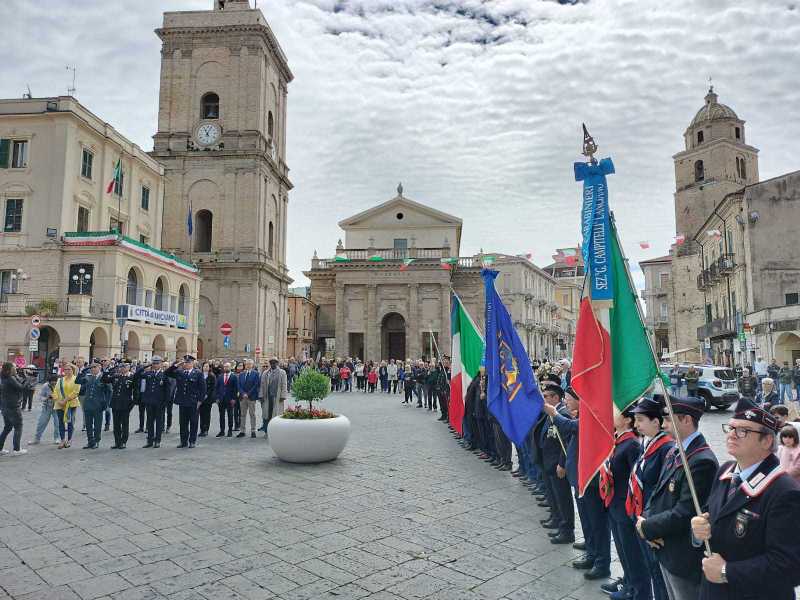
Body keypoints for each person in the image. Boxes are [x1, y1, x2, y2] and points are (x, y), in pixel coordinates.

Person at [691, 398, 800, 599]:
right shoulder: (725, 471)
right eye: (731, 428)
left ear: (766, 441)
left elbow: (789, 566)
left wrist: (726, 572)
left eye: (743, 431)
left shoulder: (785, 492)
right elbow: (712, 515)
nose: (732, 435)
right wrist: (699, 528)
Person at [636, 397, 718, 600]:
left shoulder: (701, 460)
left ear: (687, 420)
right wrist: (647, 520)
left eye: (669, 420)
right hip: (665, 543)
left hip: (683, 554)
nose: (664, 425)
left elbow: (686, 512)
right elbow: (658, 492)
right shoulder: (676, 449)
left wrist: (648, 528)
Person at [547, 387, 611, 581]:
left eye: (568, 398)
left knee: (597, 523)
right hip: (580, 477)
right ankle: (592, 553)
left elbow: (570, 427)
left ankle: (601, 562)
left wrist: (554, 413)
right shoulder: (580, 415)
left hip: (591, 480)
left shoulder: (591, 417)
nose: (566, 402)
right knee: (587, 521)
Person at [600, 408, 650, 600]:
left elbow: (635, 479)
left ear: (628, 420)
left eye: (616, 412)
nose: (611, 415)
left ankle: (637, 591)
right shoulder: (618, 439)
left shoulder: (631, 445)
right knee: (623, 549)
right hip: (614, 503)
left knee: (632, 552)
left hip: (625, 506)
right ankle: (628, 582)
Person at [628, 396, 675, 600]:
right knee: (651, 568)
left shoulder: (666, 447)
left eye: (640, 420)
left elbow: (663, 490)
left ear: (656, 422)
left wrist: (653, 521)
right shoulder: (646, 443)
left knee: (659, 572)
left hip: (653, 518)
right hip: (641, 514)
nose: (636, 424)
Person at [536, 380, 574, 544]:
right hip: (548, 462)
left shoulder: (562, 414)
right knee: (553, 495)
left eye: (546, 396)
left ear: (555, 398)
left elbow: (565, 443)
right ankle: (556, 519)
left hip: (557, 464)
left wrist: (562, 463)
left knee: (563, 497)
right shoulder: (551, 413)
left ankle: (566, 530)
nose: (543, 399)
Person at [165, 355, 205, 449]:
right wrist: (176, 364)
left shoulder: (198, 373)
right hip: (182, 401)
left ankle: (192, 441)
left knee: (193, 422)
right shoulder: (180, 372)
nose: (186, 364)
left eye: (188, 362)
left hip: (193, 402)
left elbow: (203, 388)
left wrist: (200, 400)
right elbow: (167, 372)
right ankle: (183, 441)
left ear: (192, 363)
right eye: (185, 362)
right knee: (183, 422)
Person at [76, 362, 109, 450]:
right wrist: (82, 370)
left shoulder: (103, 377)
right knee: (88, 425)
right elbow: (77, 381)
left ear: (99, 367)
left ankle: (96, 440)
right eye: (91, 368)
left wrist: (106, 404)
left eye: (94, 367)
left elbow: (108, 391)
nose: (92, 369)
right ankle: (90, 441)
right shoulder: (88, 377)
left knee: (97, 425)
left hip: (98, 405)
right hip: (87, 404)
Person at [136, 357, 167, 448]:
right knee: (149, 421)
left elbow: (167, 390)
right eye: (154, 363)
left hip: (159, 402)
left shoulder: (164, 375)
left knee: (159, 422)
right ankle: (149, 440)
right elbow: (137, 375)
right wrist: (146, 366)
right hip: (149, 401)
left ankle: (157, 440)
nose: (155, 365)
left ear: (161, 364)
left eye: (157, 363)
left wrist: (165, 402)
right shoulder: (148, 373)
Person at [104, 362, 135, 449]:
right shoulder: (116, 376)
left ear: (129, 367)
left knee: (125, 423)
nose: (122, 368)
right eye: (121, 366)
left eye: (125, 366)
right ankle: (117, 442)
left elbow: (136, 392)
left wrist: (132, 403)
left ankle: (124, 441)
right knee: (116, 424)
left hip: (126, 404)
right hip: (115, 403)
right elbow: (104, 379)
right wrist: (107, 370)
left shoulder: (132, 377)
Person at [0, 362, 27, 456]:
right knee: (18, 426)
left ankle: (0, 449)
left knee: (7, 427)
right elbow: (21, 388)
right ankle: (17, 449)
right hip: (13, 407)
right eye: (14, 367)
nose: (16, 368)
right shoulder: (10, 378)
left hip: (4, 406)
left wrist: (17, 376)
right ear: (10, 369)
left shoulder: (3, 378)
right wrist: (25, 378)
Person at [52, 363, 81, 448]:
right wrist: (58, 400)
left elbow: (76, 392)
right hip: (59, 404)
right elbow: (55, 392)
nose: (67, 371)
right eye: (65, 369)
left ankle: (69, 439)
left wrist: (65, 400)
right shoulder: (60, 380)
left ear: (73, 370)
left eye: (69, 369)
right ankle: (62, 440)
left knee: (70, 422)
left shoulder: (76, 379)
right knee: (60, 422)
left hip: (71, 404)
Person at [28, 375, 60, 445]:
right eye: (52, 382)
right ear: (49, 382)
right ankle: (37, 439)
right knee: (41, 423)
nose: (54, 384)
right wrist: (47, 397)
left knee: (57, 423)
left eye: (55, 382)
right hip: (47, 407)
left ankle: (57, 438)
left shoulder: (59, 385)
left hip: (57, 407)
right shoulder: (45, 386)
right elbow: (40, 397)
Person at [260, 357, 287, 435]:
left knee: (276, 414)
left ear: (277, 363)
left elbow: (284, 384)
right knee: (267, 413)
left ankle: (276, 430)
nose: (273, 364)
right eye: (271, 362)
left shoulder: (282, 372)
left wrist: (283, 395)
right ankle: (266, 430)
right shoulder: (265, 373)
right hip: (267, 396)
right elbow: (262, 385)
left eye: (274, 362)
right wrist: (261, 395)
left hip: (277, 396)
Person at [238, 359, 260, 439]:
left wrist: (248, 394)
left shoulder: (256, 374)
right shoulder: (241, 374)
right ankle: (242, 431)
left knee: (252, 414)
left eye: (250, 364)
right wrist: (243, 393)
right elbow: (239, 385)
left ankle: (253, 431)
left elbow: (256, 385)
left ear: (252, 365)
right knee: (242, 414)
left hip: (251, 397)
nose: (248, 365)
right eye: (247, 364)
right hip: (242, 397)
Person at [215, 362, 238, 437]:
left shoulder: (234, 377)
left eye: (227, 367)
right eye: (224, 367)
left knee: (230, 415)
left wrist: (234, 398)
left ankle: (230, 430)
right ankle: (222, 431)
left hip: (230, 399)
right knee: (221, 415)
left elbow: (235, 388)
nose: (226, 368)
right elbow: (217, 387)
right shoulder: (220, 376)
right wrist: (217, 398)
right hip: (221, 399)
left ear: (230, 367)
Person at [198, 361, 216, 437]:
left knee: (207, 414)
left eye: (207, 366)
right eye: (205, 366)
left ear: (209, 368)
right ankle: (201, 429)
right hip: (200, 398)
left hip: (208, 399)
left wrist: (206, 394)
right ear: (202, 367)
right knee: (201, 414)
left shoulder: (212, 376)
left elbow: (213, 387)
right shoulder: (200, 375)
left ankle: (206, 429)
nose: (206, 368)